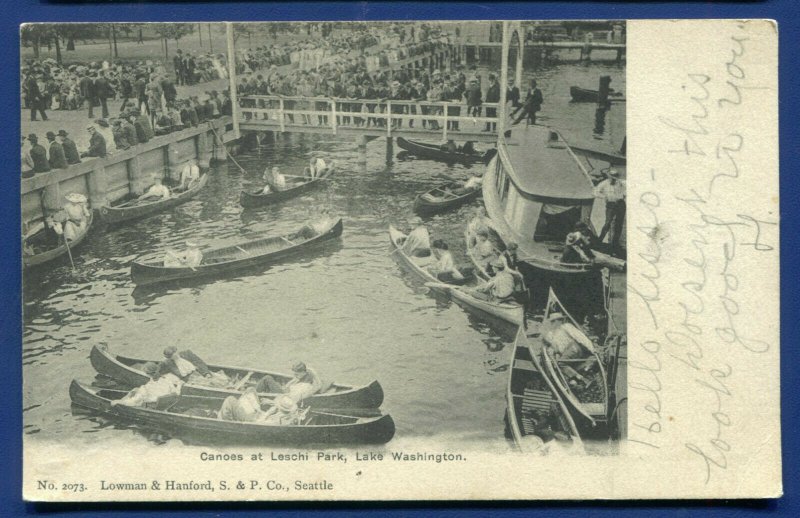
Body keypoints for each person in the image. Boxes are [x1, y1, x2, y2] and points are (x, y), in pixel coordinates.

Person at [218, 390, 304, 425]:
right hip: (258, 414)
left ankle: (228, 422)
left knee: (230, 399)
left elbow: (260, 423)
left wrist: (265, 412)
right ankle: (238, 408)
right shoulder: (287, 414)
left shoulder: (278, 420)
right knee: (251, 390)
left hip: (252, 419)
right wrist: (260, 411)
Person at [255, 361, 323, 404]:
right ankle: (257, 393)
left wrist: (270, 401)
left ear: (303, 372)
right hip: (286, 391)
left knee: (267, 378)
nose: (295, 376)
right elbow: (318, 382)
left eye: (297, 374)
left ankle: (254, 395)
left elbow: (289, 400)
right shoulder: (307, 374)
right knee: (268, 380)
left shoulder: (304, 387)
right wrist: (289, 384)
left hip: (282, 395)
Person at [594, 169, 626, 251]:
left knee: (619, 225)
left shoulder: (621, 183)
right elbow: (595, 192)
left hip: (620, 204)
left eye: (615, 177)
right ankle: (599, 241)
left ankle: (615, 244)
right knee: (607, 223)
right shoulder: (604, 183)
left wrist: (624, 195)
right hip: (611, 205)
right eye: (612, 177)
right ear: (609, 177)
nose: (614, 179)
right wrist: (604, 196)